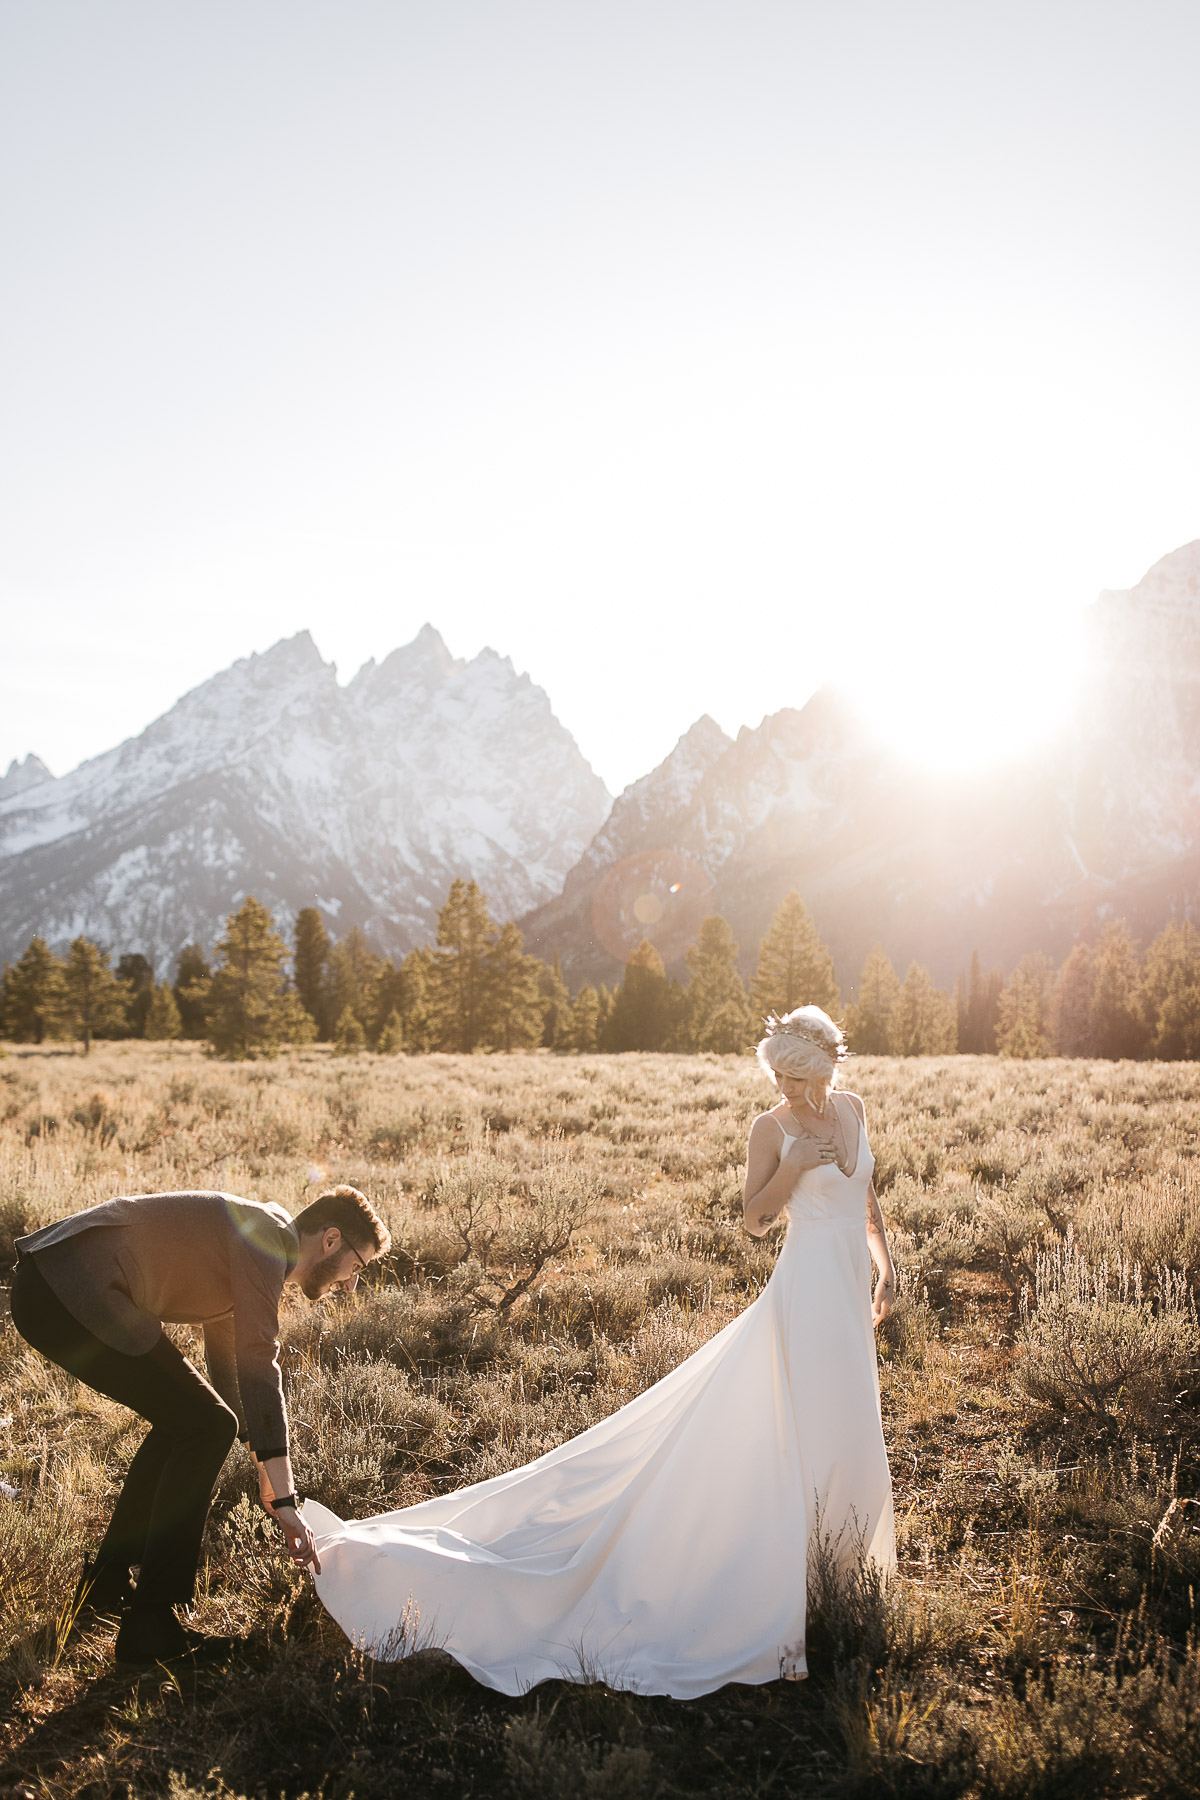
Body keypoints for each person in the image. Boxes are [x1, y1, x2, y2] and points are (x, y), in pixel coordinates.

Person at [305, 1006, 896, 1697]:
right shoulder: (772, 1128)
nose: (786, 1088)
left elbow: (866, 1196)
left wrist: (886, 1263)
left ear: (824, 1069)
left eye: (796, 1076)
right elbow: (755, 1221)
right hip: (803, 1296)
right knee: (796, 1429)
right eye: (779, 1076)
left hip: (846, 1290)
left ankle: (836, 1577)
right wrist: (790, 1167)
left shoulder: (852, 1109)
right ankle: (786, 1582)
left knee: (847, 1426)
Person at [10, 1184, 390, 1663]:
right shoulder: (266, 1240)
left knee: (193, 1421)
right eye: (357, 1267)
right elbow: (260, 1365)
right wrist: (285, 1497)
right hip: (65, 1289)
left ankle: (105, 1584)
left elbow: (228, 1366)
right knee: (204, 1425)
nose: (352, 1284)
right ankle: (151, 1629)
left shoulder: (262, 1242)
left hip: (59, 1288)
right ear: (331, 1240)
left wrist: (264, 1467)